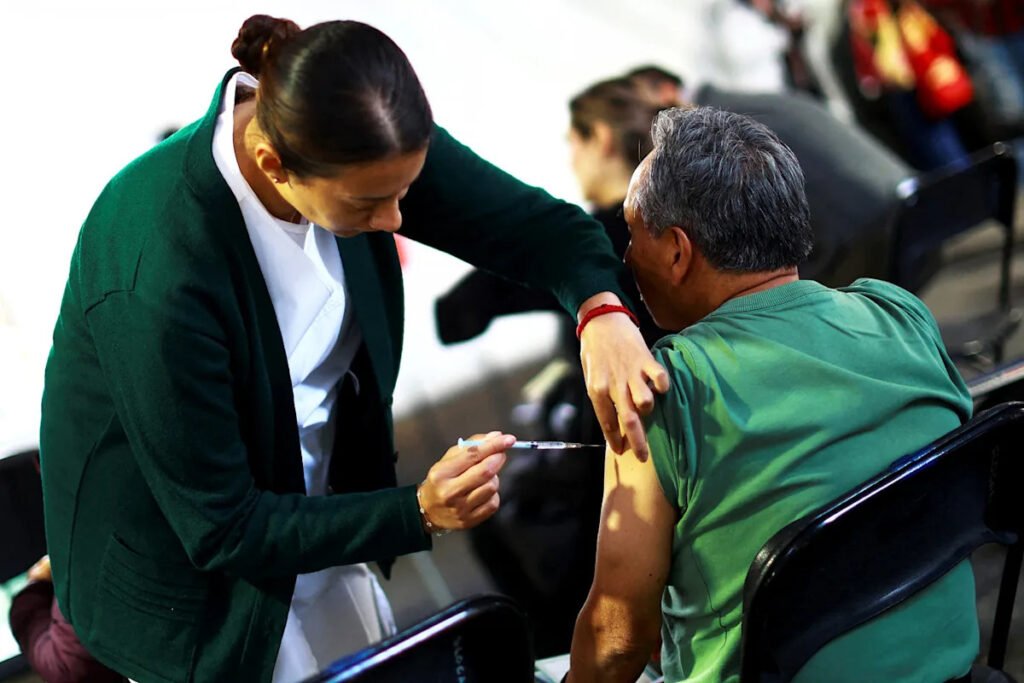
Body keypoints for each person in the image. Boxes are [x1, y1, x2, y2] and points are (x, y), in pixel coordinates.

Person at [39, 15, 667, 683]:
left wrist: (602, 311)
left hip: (318, 518)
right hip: (196, 592)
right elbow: (223, 527)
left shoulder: (366, 140)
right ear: (273, 165)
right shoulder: (157, 271)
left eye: (405, 192)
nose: (396, 220)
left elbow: (544, 232)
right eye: (370, 204)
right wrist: (416, 511)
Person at [566, 106, 978, 682]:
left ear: (678, 252)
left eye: (632, 233)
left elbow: (618, 640)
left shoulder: (661, 391)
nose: (626, 257)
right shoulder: (899, 314)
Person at [433, 78, 669, 656]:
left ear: (602, 140)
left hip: (616, 467)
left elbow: (456, 314)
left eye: (573, 141)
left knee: (500, 529)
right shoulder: (681, 225)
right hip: (698, 433)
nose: (570, 157)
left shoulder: (587, 240)